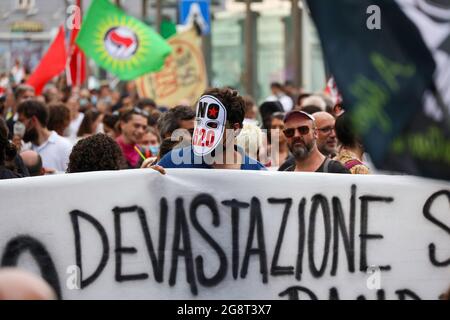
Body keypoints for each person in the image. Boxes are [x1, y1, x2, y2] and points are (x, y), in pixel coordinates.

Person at [158, 87, 266, 170]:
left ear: (235, 129)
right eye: (199, 123)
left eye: (212, 125)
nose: (203, 131)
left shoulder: (256, 172)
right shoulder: (172, 162)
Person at [280, 110, 350, 173]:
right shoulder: (284, 174)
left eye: (303, 130)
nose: (296, 135)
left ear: (315, 133)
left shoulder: (336, 171)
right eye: (289, 132)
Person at [17, 99, 73, 173]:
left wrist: (54, 173)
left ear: (33, 120)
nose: (18, 126)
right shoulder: (23, 146)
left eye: (21, 121)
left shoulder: (64, 146)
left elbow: (73, 177)